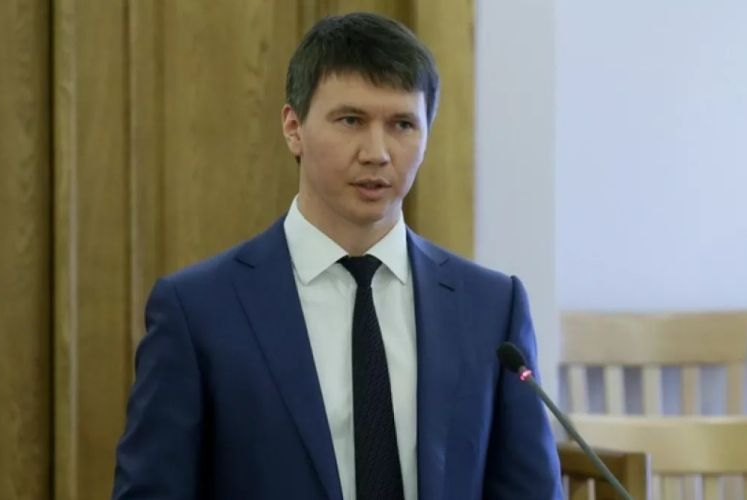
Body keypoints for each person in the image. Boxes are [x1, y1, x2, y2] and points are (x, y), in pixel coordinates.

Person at [112, 11, 561, 500]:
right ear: (293, 128)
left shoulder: (491, 307)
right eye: (351, 121)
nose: (377, 152)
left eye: (402, 124)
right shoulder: (198, 311)